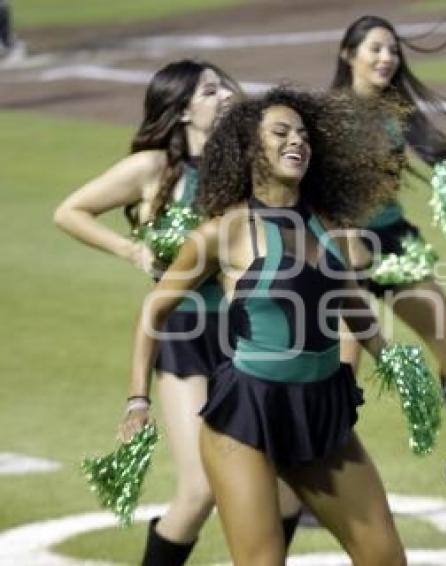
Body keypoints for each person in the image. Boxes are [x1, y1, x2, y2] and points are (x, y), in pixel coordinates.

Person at [119, 86, 409, 565]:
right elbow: (154, 310)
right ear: (251, 148)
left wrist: (390, 355)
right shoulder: (224, 231)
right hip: (248, 414)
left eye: (303, 134)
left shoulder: (326, 220)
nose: (297, 141)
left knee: (384, 556)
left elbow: (348, 302)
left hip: (321, 409)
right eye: (281, 133)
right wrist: (137, 398)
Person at [53, 60, 302, 565]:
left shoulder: (246, 165)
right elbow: (70, 211)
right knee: (199, 490)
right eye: (210, 91)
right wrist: (131, 251)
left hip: (248, 334)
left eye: (224, 87)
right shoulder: (153, 169)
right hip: (185, 335)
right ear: (184, 109)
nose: (224, 96)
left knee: (290, 487)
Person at [332, 15, 446, 427]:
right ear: (348, 54)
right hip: (339, 248)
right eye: (375, 49)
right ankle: (314, 474)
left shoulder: (398, 110)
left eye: (393, 50)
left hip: (394, 241)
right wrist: (346, 240)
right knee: (341, 375)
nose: (387, 58)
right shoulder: (328, 115)